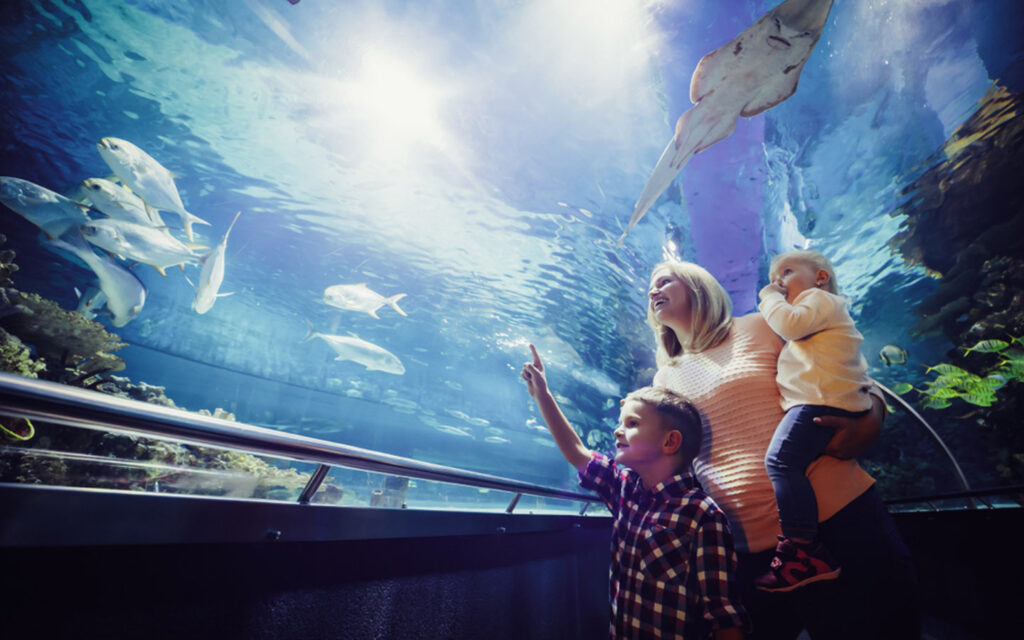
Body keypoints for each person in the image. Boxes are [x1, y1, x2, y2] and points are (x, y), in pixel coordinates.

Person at [646, 260, 919, 640]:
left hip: (837, 522)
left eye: (663, 281)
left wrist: (871, 418)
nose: (652, 291)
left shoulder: (762, 324)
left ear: (697, 285)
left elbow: (847, 369)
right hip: (748, 550)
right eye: (650, 287)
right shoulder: (664, 378)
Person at [521, 344, 748, 640]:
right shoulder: (624, 487)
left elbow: (723, 617)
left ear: (670, 442)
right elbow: (577, 452)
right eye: (620, 422)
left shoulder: (702, 516)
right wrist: (543, 395)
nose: (618, 430)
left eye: (632, 423)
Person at [753, 250, 872, 592]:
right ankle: (804, 548)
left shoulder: (820, 300)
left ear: (820, 277)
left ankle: (803, 551)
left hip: (820, 398)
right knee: (788, 462)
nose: (778, 282)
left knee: (780, 461)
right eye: (775, 276)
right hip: (822, 397)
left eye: (787, 272)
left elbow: (788, 324)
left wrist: (768, 296)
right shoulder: (818, 312)